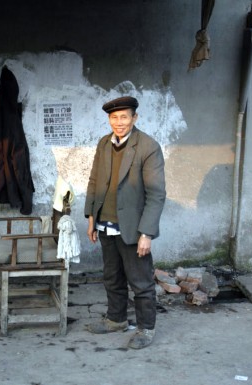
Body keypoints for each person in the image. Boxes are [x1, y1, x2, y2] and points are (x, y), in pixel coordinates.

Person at [84, 96, 166, 349]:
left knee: (140, 281)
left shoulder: (147, 147)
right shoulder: (104, 144)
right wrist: (91, 217)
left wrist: (147, 233)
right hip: (105, 223)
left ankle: (146, 329)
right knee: (112, 277)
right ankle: (116, 320)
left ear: (134, 118)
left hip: (133, 227)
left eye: (124, 117)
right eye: (114, 117)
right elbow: (94, 181)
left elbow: (156, 193)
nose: (118, 123)